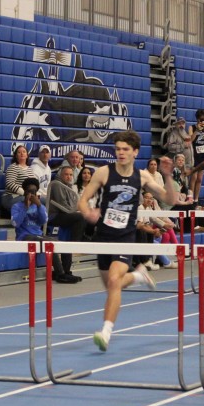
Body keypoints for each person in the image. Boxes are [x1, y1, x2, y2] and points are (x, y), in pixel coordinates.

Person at [78, 131, 176, 351]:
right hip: (104, 236)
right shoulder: (104, 172)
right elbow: (83, 200)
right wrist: (88, 213)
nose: (120, 153)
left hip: (126, 236)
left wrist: (168, 176)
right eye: (118, 149)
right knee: (111, 285)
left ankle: (105, 333)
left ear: (135, 152)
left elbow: (169, 199)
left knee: (114, 281)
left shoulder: (143, 177)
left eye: (125, 149)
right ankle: (138, 276)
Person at [13, 177, 73, 283]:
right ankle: (60, 274)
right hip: (24, 237)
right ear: (25, 192)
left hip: (38, 235)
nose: (32, 194)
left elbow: (44, 220)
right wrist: (25, 208)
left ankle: (65, 271)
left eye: (34, 191)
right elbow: (15, 223)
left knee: (58, 242)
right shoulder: (17, 206)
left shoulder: (40, 206)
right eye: (30, 191)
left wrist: (39, 205)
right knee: (47, 242)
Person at [47, 166, 85, 283]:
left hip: (65, 215)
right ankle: (75, 243)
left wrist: (74, 211)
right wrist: (74, 211)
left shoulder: (69, 187)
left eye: (70, 175)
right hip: (54, 216)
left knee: (68, 239)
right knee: (80, 217)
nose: (69, 177)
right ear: (60, 175)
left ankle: (66, 271)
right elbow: (62, 203)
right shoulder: (57, 185)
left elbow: (74, 204)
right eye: (66, 174)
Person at [188, 109, 204, 200]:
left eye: (203, 119)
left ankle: (196, 199)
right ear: (197, 119)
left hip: (203, 155)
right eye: (200, 119)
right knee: (193, 177)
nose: (202, 121)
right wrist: (197, 130)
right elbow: (190, 140)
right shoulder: (191, 127)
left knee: (199, 179)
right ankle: (190, 198)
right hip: (194, 155)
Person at [2, 145, 35, 211]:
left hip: (26, 195)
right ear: (16, 156)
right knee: (30, 200)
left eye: (24, 152)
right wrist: (25, 193)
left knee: (44, 200)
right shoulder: (13, 167)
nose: (22, 153)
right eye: (19, 152)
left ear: (27, 155)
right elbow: (10, 183)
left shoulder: (30, 169)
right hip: (11, 197)